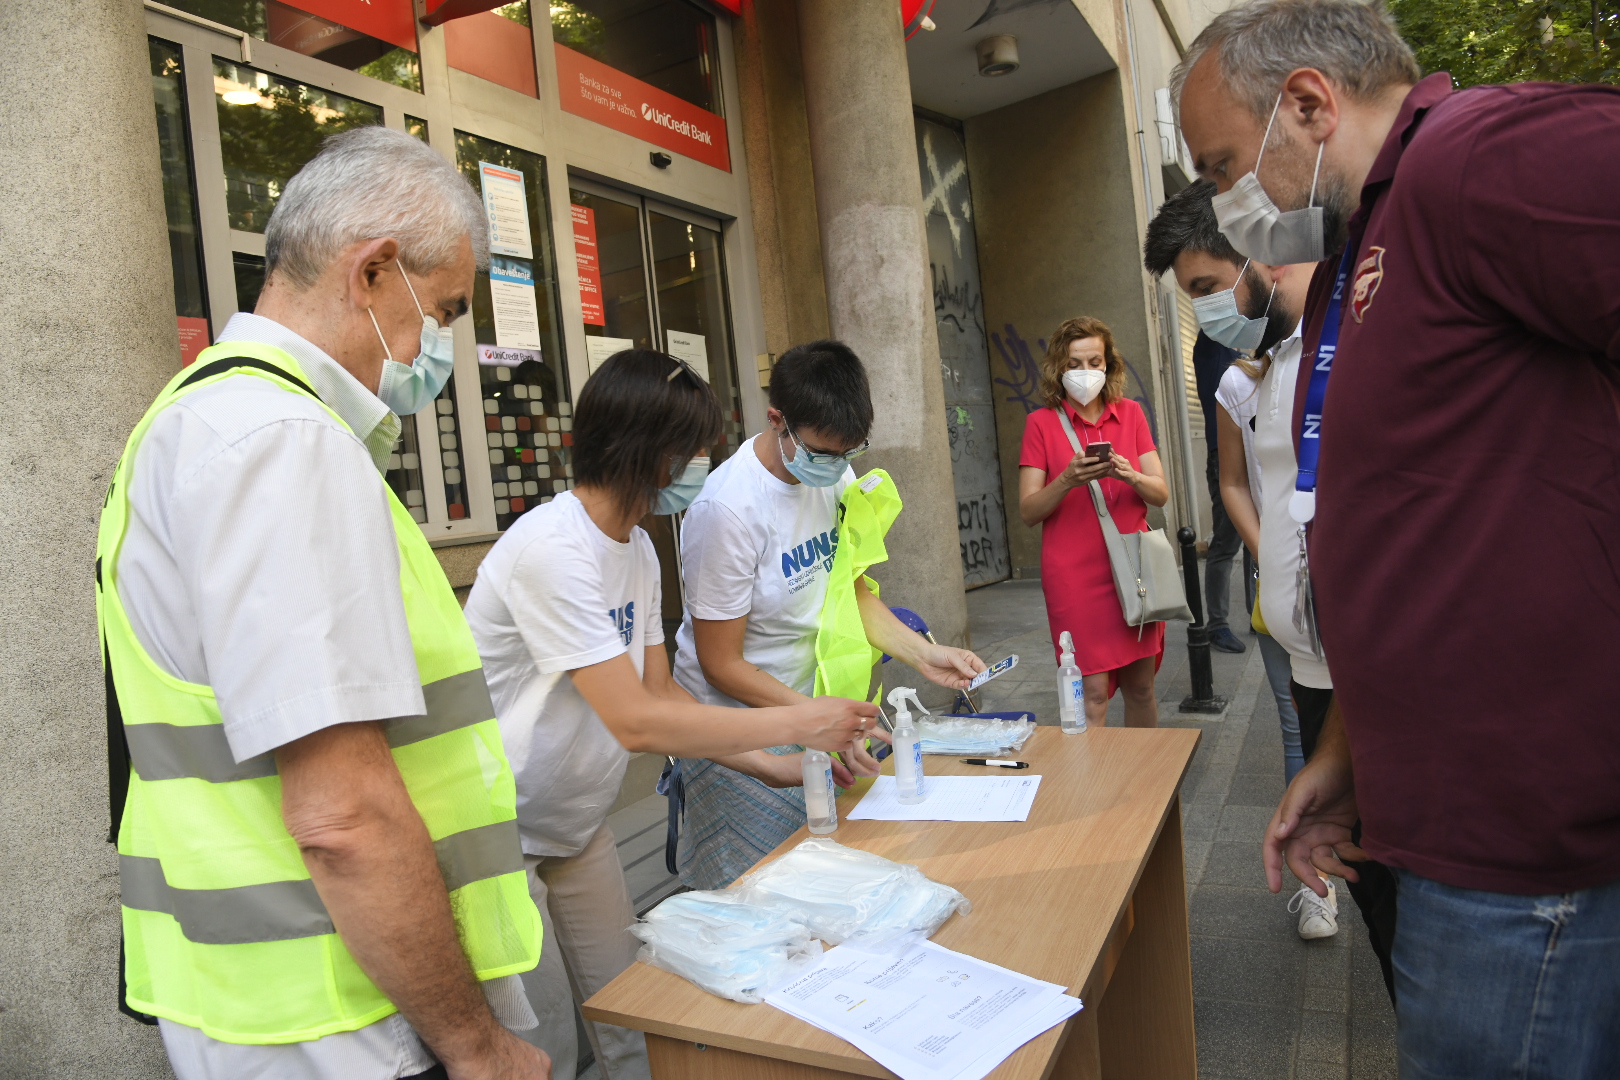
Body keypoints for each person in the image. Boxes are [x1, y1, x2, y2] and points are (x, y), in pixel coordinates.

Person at [1176, 0, 1620, 1070]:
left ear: (1308, 104)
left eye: (1224, 164)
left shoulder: (1477, 158)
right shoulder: (1367, 244)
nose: (1228, 200)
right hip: (1446, 816)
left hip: (1527, 844)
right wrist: (1350, 750)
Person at [97, 127, 549, 1080]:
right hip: (350, 1016)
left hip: (277, 997)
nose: (438, 348)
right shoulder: (282, 440)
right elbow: (343, 818)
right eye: (445, 310)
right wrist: (476, 1046)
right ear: (373, 272)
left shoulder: (197, 417)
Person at [464, 347, 884, 1078]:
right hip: (501, 829)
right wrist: (797, 724)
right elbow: (636, 722)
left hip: (576, 821)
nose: (702, 466)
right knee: (543, 1042)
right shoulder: (552, 550)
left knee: (634, 1015)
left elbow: (664, 696)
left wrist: (772, 766)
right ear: (642, 450)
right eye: (691, 450)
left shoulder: (636, 548)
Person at [671, 339, 985, 890]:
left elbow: (850, 592)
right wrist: (818, 719)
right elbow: (721, 665)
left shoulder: (833, 473)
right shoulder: (726, 511)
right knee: (758, 894)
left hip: (811, 712)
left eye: (849, 452)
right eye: (822, 452)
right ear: (778, 420)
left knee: (827, 879)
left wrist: (923, 653)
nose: (837, 466)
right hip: (741, 731)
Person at [1145, 178, 1367, 951]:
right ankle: (1321, 889)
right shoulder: (1250, 375)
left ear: (1255, 256)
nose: (1206, 310)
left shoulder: (1348, 345)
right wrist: (1277, 556)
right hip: (1298, 628)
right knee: (1302, 738)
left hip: (1366, 648)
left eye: (1207, 286)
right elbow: (1237, 482)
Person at [1017, 318, 1169, 727]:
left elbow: (1160, 493)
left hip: (1134, 568)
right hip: (1074, 578)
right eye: (1074, 363)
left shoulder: (1131, 414)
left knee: (1141, 687)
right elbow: (1029, 511)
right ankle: (1094, 772)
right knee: (1093, 696)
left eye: (1094, 361)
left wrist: (1130, 475)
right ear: (1058, 368)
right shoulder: (1040, 424)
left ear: (1109, 365)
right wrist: (1067, 479)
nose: (1085, 372)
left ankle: (1143, 770)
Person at [1190, 330, 1247, 655]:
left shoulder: (1240, 349)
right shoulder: (1212, 348)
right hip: (1223, 457)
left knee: (1254, 540)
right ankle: (1217, 625)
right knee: (1226, 543)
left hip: (1250, 454)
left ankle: (1259, 613)